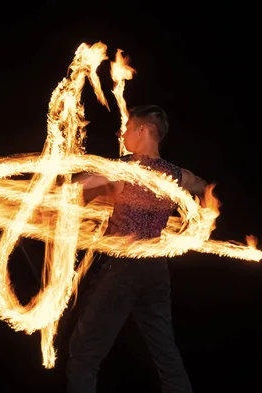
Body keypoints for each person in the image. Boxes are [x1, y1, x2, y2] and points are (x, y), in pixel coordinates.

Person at [66, 104, 208, 393]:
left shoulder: (124, 169)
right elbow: (205, 188)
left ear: (143, 130)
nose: (123, 133)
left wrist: (49, 189)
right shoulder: (176, 175)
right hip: (155, 270)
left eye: (128, 127)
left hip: (123, 269)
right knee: (166, 354)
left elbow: (76, 186)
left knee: (84, 353)